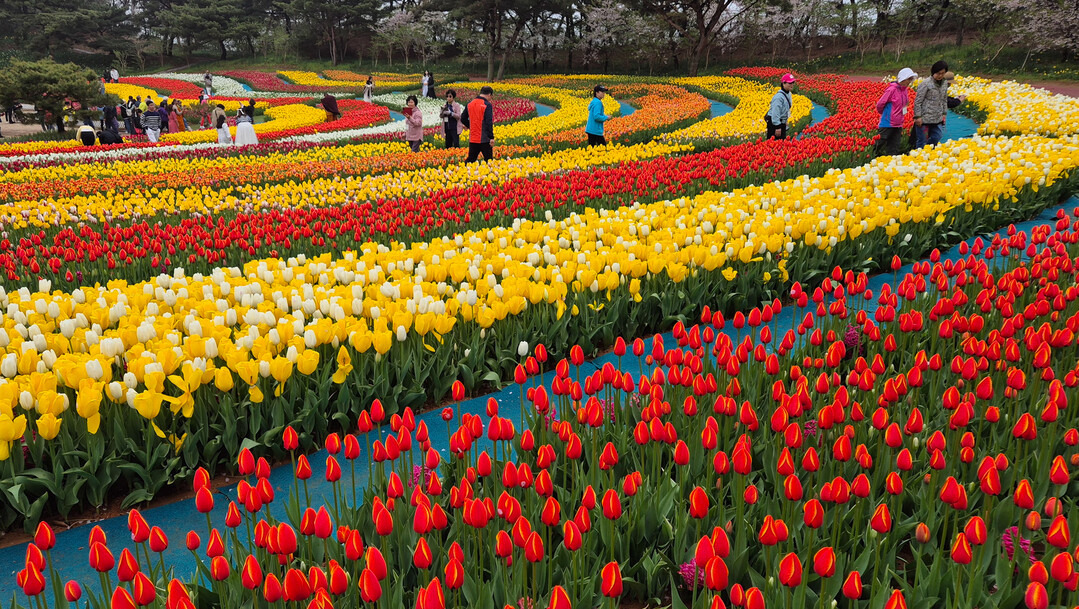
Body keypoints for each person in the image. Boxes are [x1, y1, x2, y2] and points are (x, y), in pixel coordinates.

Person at [912, 62, 968, 149]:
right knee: (922, 140)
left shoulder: (944, 84)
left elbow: (944, 100)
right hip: (925, 117)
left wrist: (944, 114)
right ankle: (920, 156)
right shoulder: (925, 84)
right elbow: (918, 101)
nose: (940, 76)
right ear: (933, 72)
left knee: (937, 136)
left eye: (943, 73)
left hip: (937, 117)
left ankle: (928, 150)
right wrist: (917, 116)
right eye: (938, 73)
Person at [874, 67, 916, 156]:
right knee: (879, 142)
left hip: (898, 123)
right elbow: (880, 104)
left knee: (894, 146)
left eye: (911, 79)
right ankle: (871, 157)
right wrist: (886, 114)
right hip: (888, 123)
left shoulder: (904, 90)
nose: (910, 82)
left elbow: (904, 104)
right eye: (909, 79)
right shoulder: (891, 90)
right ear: (903, 78)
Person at [462, 86, 495, 162]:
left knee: (471, 160)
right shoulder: (487, 105)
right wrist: (491, 137)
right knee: (489, 161)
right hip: (484, 138)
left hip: (473, 138)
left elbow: (463, 118)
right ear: (489, 94)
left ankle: (459, 171)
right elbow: (488, 122)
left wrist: (470, 126)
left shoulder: (470, 103)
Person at [766, 73, 796, 140]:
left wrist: (785, 121)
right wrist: (777, 127)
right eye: (790, 83)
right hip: (774, 124)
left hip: (782, 122)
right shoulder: (778, 97)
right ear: (783, 83)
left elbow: (786, 109)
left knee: (782, 144)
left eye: (793, 82)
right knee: (773, 145)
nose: (792, 85)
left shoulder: (788, 94)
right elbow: (775, 112)